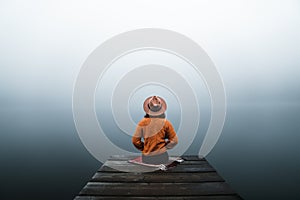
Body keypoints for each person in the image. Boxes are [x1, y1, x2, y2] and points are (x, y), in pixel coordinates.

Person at [132, 96, 178, 165]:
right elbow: (174, 141)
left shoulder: (142, 123)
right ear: (161, 109)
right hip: (162, 157)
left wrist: (145, 148)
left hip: (147, 158)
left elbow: (135, 141)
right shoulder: (166, 123)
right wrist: (165, 147)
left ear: (148, 108)